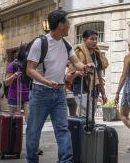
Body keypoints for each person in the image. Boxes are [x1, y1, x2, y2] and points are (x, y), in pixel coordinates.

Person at [26, 9, 93, 163]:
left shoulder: (66, 44)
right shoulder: (40, 43)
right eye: (67, 22)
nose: (70, 25)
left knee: (62, 129)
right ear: (61, 25)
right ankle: (32, 160)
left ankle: (66, 161)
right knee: (33, 131)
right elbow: (29, 70)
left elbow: (76, 62)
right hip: (40, 92)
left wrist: (85, 66)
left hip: (59, 94)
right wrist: (46, 82)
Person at [66, 30, 108, 118]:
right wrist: (78, 73)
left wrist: (103, 94)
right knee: (85, 115)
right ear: (84, 39)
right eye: (92, 39)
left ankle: (89, 131)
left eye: (96, 39)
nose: (95, 41)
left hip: (94, 88)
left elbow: (99, 76)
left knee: (91, 115)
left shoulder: (97, 55)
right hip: (81, 87)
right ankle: (83, 131)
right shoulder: (78, 53)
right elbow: (68, 76)